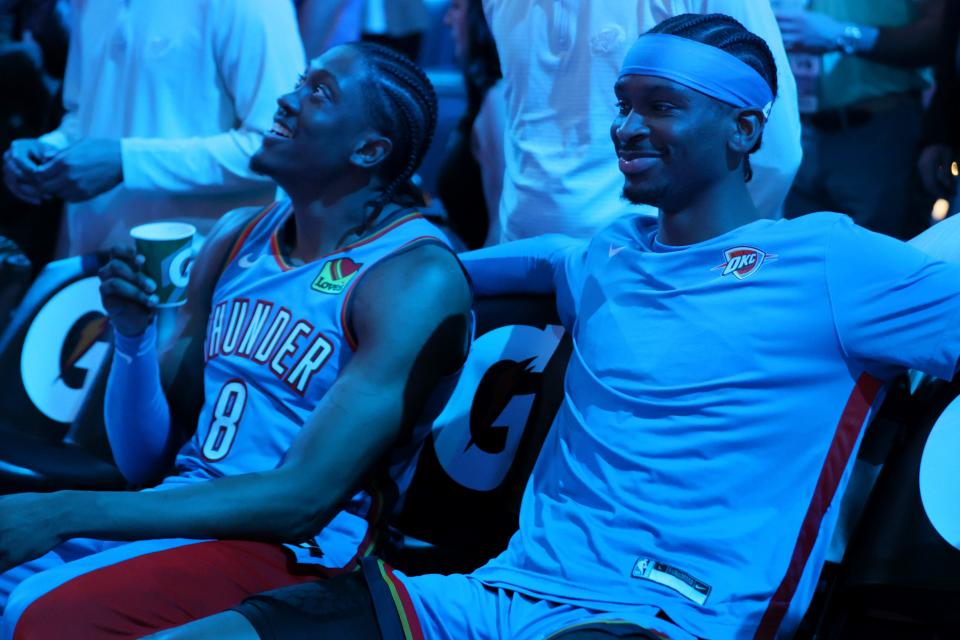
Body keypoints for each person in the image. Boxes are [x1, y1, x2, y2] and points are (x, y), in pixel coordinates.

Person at [151, 13, 960, 640]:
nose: (628, 128)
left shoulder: (831, 263)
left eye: (663, 107)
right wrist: (269, 268)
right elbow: (438, 266)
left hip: (661, 618)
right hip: (489, 597)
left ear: (745, 130)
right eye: (623, 106)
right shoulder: (605, 254)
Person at [0, 42, 473, 639]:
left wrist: (64, 511)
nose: (286, 99)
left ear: (369, 149)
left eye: (318, 92)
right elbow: (146, 458)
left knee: (37, 613)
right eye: (301, 81)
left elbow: (302, 500)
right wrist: (132, 337)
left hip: (298, 553)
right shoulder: (238, 235)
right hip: (186, 510)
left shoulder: (411, 277)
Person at [1, 0, 306, 256]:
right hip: (90, 266)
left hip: (196, 278)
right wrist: (48, 152)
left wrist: (127, 162)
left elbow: (281, 148)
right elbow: (84, 115)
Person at [482, 0, 802, 242]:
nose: (627, 127)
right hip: (524, 254)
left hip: (658, 268)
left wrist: (708, 256)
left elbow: (773, 148)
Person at [776, 0, 945, 238]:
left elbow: (940, 35)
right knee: (805, 256)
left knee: (883, 260)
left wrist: (845, 35)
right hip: (798, 129)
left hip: (877, 131)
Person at [435, 0, 505, 248]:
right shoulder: (486, 96)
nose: (446, 20)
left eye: (455, 7)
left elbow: (500, 225)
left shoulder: (497, 102)